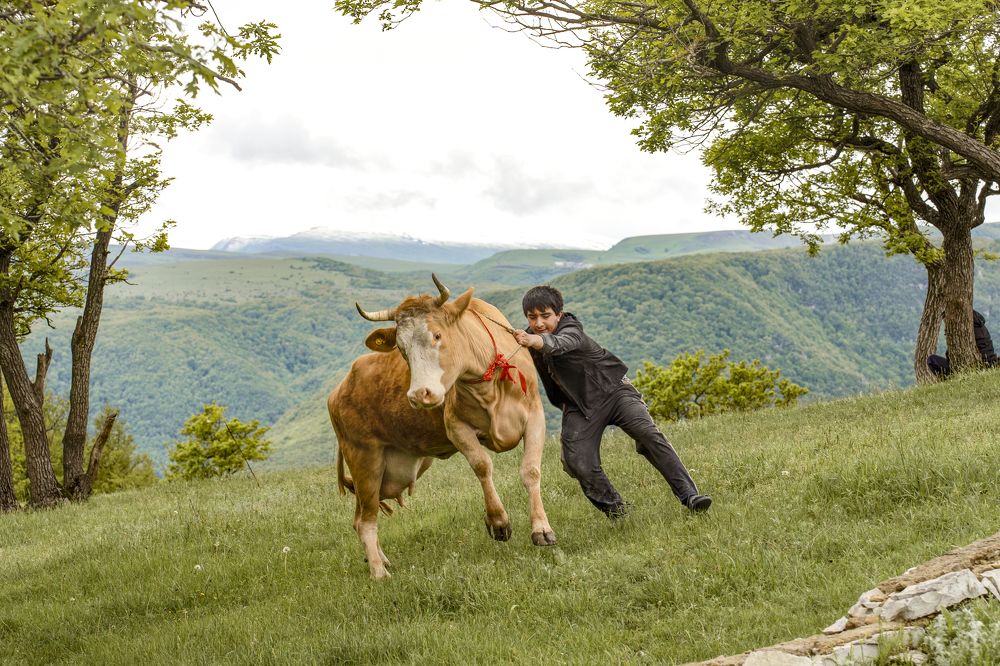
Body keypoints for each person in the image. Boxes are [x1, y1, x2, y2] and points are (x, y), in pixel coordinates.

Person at [512, 285, 711, 519]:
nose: (539, 323)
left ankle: (690, 496)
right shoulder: (529, 338)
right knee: (577, 462)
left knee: (647, 433)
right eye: (532, 317)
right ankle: (618, 512)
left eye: (545, 316)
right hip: (579, 405)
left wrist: (534, 341)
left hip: (615, 391)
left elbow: (561, 343)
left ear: (559, 314)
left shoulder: (570, 328)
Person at [927, 309, 999, 378]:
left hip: (979, 365)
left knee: (931, 360)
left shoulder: (966, 331)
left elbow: (951, 354)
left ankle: (948, 380)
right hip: (990, 361)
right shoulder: (979, 325)